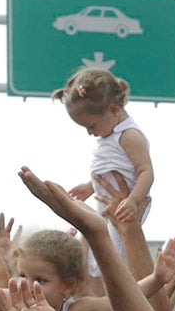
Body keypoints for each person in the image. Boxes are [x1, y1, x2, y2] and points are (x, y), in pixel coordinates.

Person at [55, 65, 155, 229]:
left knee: (115, 251)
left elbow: (146, 171)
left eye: (91, 126)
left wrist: (133, 201)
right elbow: (112, 171)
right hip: (109, 207)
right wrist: (90, 186)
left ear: (114, 110)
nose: (89, 132)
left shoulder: (128, 135)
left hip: (125, 210)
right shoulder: (110, 134)